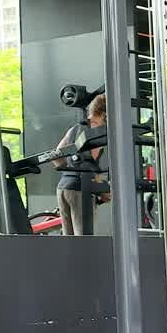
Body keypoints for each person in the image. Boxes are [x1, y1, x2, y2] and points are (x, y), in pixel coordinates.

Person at [53, 93, 107, 235]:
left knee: (70, 241)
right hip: (80, 189)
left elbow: (56, 157)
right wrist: (103, 190)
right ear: (104, 113)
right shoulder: (97, 132)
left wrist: (70, 171)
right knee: (84, 241)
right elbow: (89, 166)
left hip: (63, 188)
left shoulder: (75, 128)